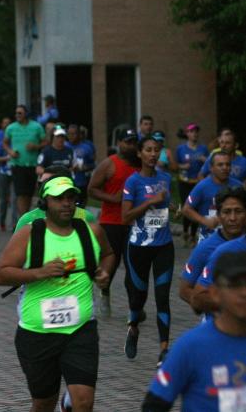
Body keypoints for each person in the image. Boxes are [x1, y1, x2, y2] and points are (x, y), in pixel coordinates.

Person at [0, 176, 115, 412]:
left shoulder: (91, 231)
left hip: (81, 330)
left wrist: (104, 273)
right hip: (37, 334)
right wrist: (39, 273)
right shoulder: (30, 234)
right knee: (43, 403)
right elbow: (0, 275)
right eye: (59, 199)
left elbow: (109, 254)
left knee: (83, 401)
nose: (67, 203)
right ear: (45, 202)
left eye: (71, 198)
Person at [142, 252, 246, 412]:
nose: (243, 292)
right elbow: (154, 405)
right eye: (235, 284)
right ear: (215, 293)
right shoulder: (191, 346)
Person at [121, 136, 175, 366]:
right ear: (140, 154)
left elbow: (164, 208)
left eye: (157, 150)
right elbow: (125, 217)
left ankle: (164, 349)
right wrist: (149, 202)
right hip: (139, 247)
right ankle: (133, 328)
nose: (153, 154)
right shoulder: (132, 182)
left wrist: (172, 208)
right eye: (149, 150)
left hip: (163, 245)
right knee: (138, 298)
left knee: (162, 297)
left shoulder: (166, 178)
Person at [88, 128, 140, 315]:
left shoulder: (140, 165)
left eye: (134, 142)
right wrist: (113, 198)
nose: (131, 146)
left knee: (133, 265)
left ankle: (135, 306)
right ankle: (105, 292)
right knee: (111, 262)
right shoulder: (109, 164)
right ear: (119, 143)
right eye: (127, 142)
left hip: (134, 223)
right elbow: (92, 189)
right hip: (112, 222)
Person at [179, 186, 246, 313]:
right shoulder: (206, 248)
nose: (233, 218)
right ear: (219, 216)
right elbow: (184, 290)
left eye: (238, 211)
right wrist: (217, 309)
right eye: (227, 212)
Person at [182, 151, 242, 243]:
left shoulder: (238, 186)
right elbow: (186, 209)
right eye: (220, 165)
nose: (225, 167)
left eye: (227, 164)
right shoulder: (202, 186)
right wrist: (204, 221)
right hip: (208, 239)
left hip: (233, 240)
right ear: (211, 168)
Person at [14, 166, 97, 231]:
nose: (42, 187)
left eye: (48, 182)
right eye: (41, 183)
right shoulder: (28, 220)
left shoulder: (86, 217)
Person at [3, 104, 46, 218]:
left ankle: (25, 216)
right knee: (20, 194)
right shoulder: (11, 127)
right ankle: (23, 218)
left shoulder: (36, 126)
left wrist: (36, 146)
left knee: (29, 193)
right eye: (16, 113)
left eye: (20, 113)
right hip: (17, 164)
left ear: (26, 114)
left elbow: (45, 142)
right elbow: (5, 143)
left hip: (32, 165)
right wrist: (10, 152)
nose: (17, 115)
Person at [176, 123, 209, 247]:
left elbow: (210, 164)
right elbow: (174, 165)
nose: (194, 134)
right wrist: (182, 166)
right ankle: (185, 231)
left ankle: (193, 235)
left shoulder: (203, 149)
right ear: (187, 134)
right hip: (184, 182)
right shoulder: (181, 149)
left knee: (196, 207)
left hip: (198, 182)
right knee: (187, 206)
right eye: (191, 131)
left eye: (196, 131)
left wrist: (204, 160)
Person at [67, 124, 95, 208]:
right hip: (66, 182)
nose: (71, 136)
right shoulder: (64, 146)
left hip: (81, 182)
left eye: (74, 134)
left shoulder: (86, 148)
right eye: (69, 134)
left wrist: (83, 168)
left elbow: (92, 164)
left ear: (79, 134)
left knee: (80, 207)